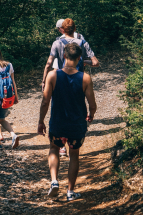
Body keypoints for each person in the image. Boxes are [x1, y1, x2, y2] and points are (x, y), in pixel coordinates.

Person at [38, 43, 97, 201]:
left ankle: (54, 181)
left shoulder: (52, 75)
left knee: (54, 148)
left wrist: (41, 121)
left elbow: (45, 101)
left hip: (58, 123)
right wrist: (91, 115)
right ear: (79, 59)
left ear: (64, 56)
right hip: (77, 125)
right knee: (74, 155)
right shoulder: (85, 78)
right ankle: (70, 192)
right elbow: (92, 105)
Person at [42, 18, 99, 90]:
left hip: (62, 80)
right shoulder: (83, 43)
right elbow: (96, 63)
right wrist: (83, 61)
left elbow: (48, 65)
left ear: (63, 29)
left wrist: (44, 81)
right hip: (79, 81)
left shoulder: (57, 43)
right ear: (75, 28)